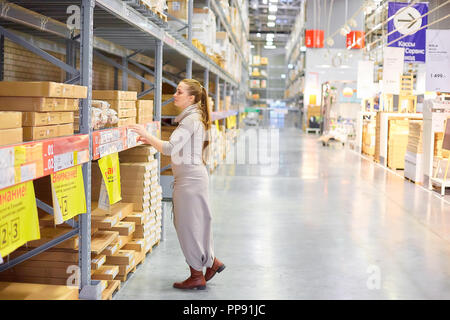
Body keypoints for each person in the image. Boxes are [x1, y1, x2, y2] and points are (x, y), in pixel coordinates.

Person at [130, 79, 225, 290]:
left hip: (189, 181)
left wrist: (147, 135)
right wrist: (152, 140)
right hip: (194, 178)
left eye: (179, 92)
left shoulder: (190, 120)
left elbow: (169, 148)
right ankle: (211, 263)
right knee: (198, 224)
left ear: (191, 98)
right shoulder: (194, 117)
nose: (174, 95)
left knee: (187, 227)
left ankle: (196, 275)